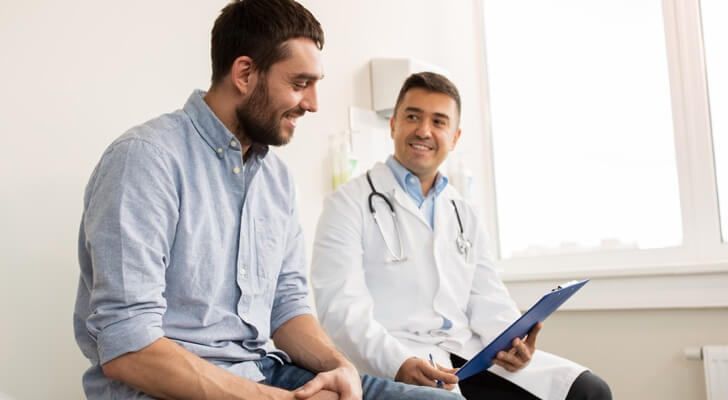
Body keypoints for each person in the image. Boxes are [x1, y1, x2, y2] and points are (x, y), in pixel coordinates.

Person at [72, 2, 464, 399]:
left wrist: (340, 368)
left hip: (266, 372)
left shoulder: (275, 179)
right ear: (244, 73)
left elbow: (287, 307)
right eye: (299, 84)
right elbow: (129, 348)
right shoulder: (146, 159)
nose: (312, 103)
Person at [311, 72, 612, 400]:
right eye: (413, 117)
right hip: (396, 357)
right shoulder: (346, 204)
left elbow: (487, 297)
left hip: (467, 355)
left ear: (454, 137)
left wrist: (515, 342)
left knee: (588, 390)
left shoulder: (463, 211)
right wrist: (398, 362)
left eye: (439, 121)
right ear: (393, 125)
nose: (424, 130)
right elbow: (341, 309)